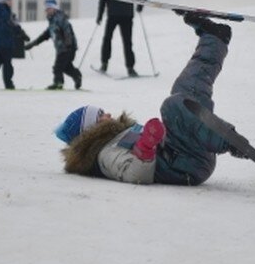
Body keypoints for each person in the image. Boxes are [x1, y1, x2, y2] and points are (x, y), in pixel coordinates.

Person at [55, 12, 241, 186]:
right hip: (185, 167)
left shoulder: (116, 136)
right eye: (101, 115)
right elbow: (134, 174)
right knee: (172, 106)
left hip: (184, 154)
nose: (108, 114)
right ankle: (228, 140)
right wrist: (145, 147)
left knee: (184, 90)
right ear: (91, 128)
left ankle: (213, 39)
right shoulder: (105, 154)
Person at [96, 0, 147, 77]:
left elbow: (102, 0)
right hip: (127, 16)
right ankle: (130, 68)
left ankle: (104, 64)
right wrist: (139, 7)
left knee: (107, 39)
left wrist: (99, 16)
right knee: (127, 42)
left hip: (112, 16)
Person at [26, 0, 83, 90]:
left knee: (58, 67)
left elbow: (67, 31)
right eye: (46, 9)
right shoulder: (52, 22)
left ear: (54, 8)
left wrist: (68, 44)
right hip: (62, 48)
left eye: (49, 8)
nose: (47, 10)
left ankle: (58, 83)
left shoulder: (60, 19)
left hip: (68, 47)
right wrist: (32, 44)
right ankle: (77, 76)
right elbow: (44, 36)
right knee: (66, 67)